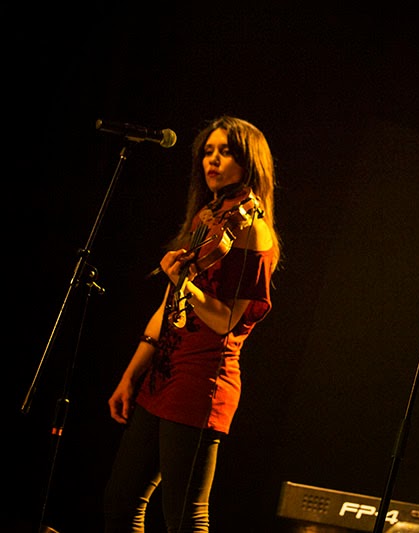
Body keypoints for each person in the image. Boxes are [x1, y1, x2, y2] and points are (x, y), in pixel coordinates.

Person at [103, 115, 281, 532]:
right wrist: (131, 374)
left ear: (249, 162)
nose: (212, 161)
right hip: (164, 371)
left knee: (185, 517)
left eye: (225, 152)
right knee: (120, 502)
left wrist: (186, 283)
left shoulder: (253, 232)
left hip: (202, 380)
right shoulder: (209, 216)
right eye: (208, 152)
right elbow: (168, 306)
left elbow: (226, 321)